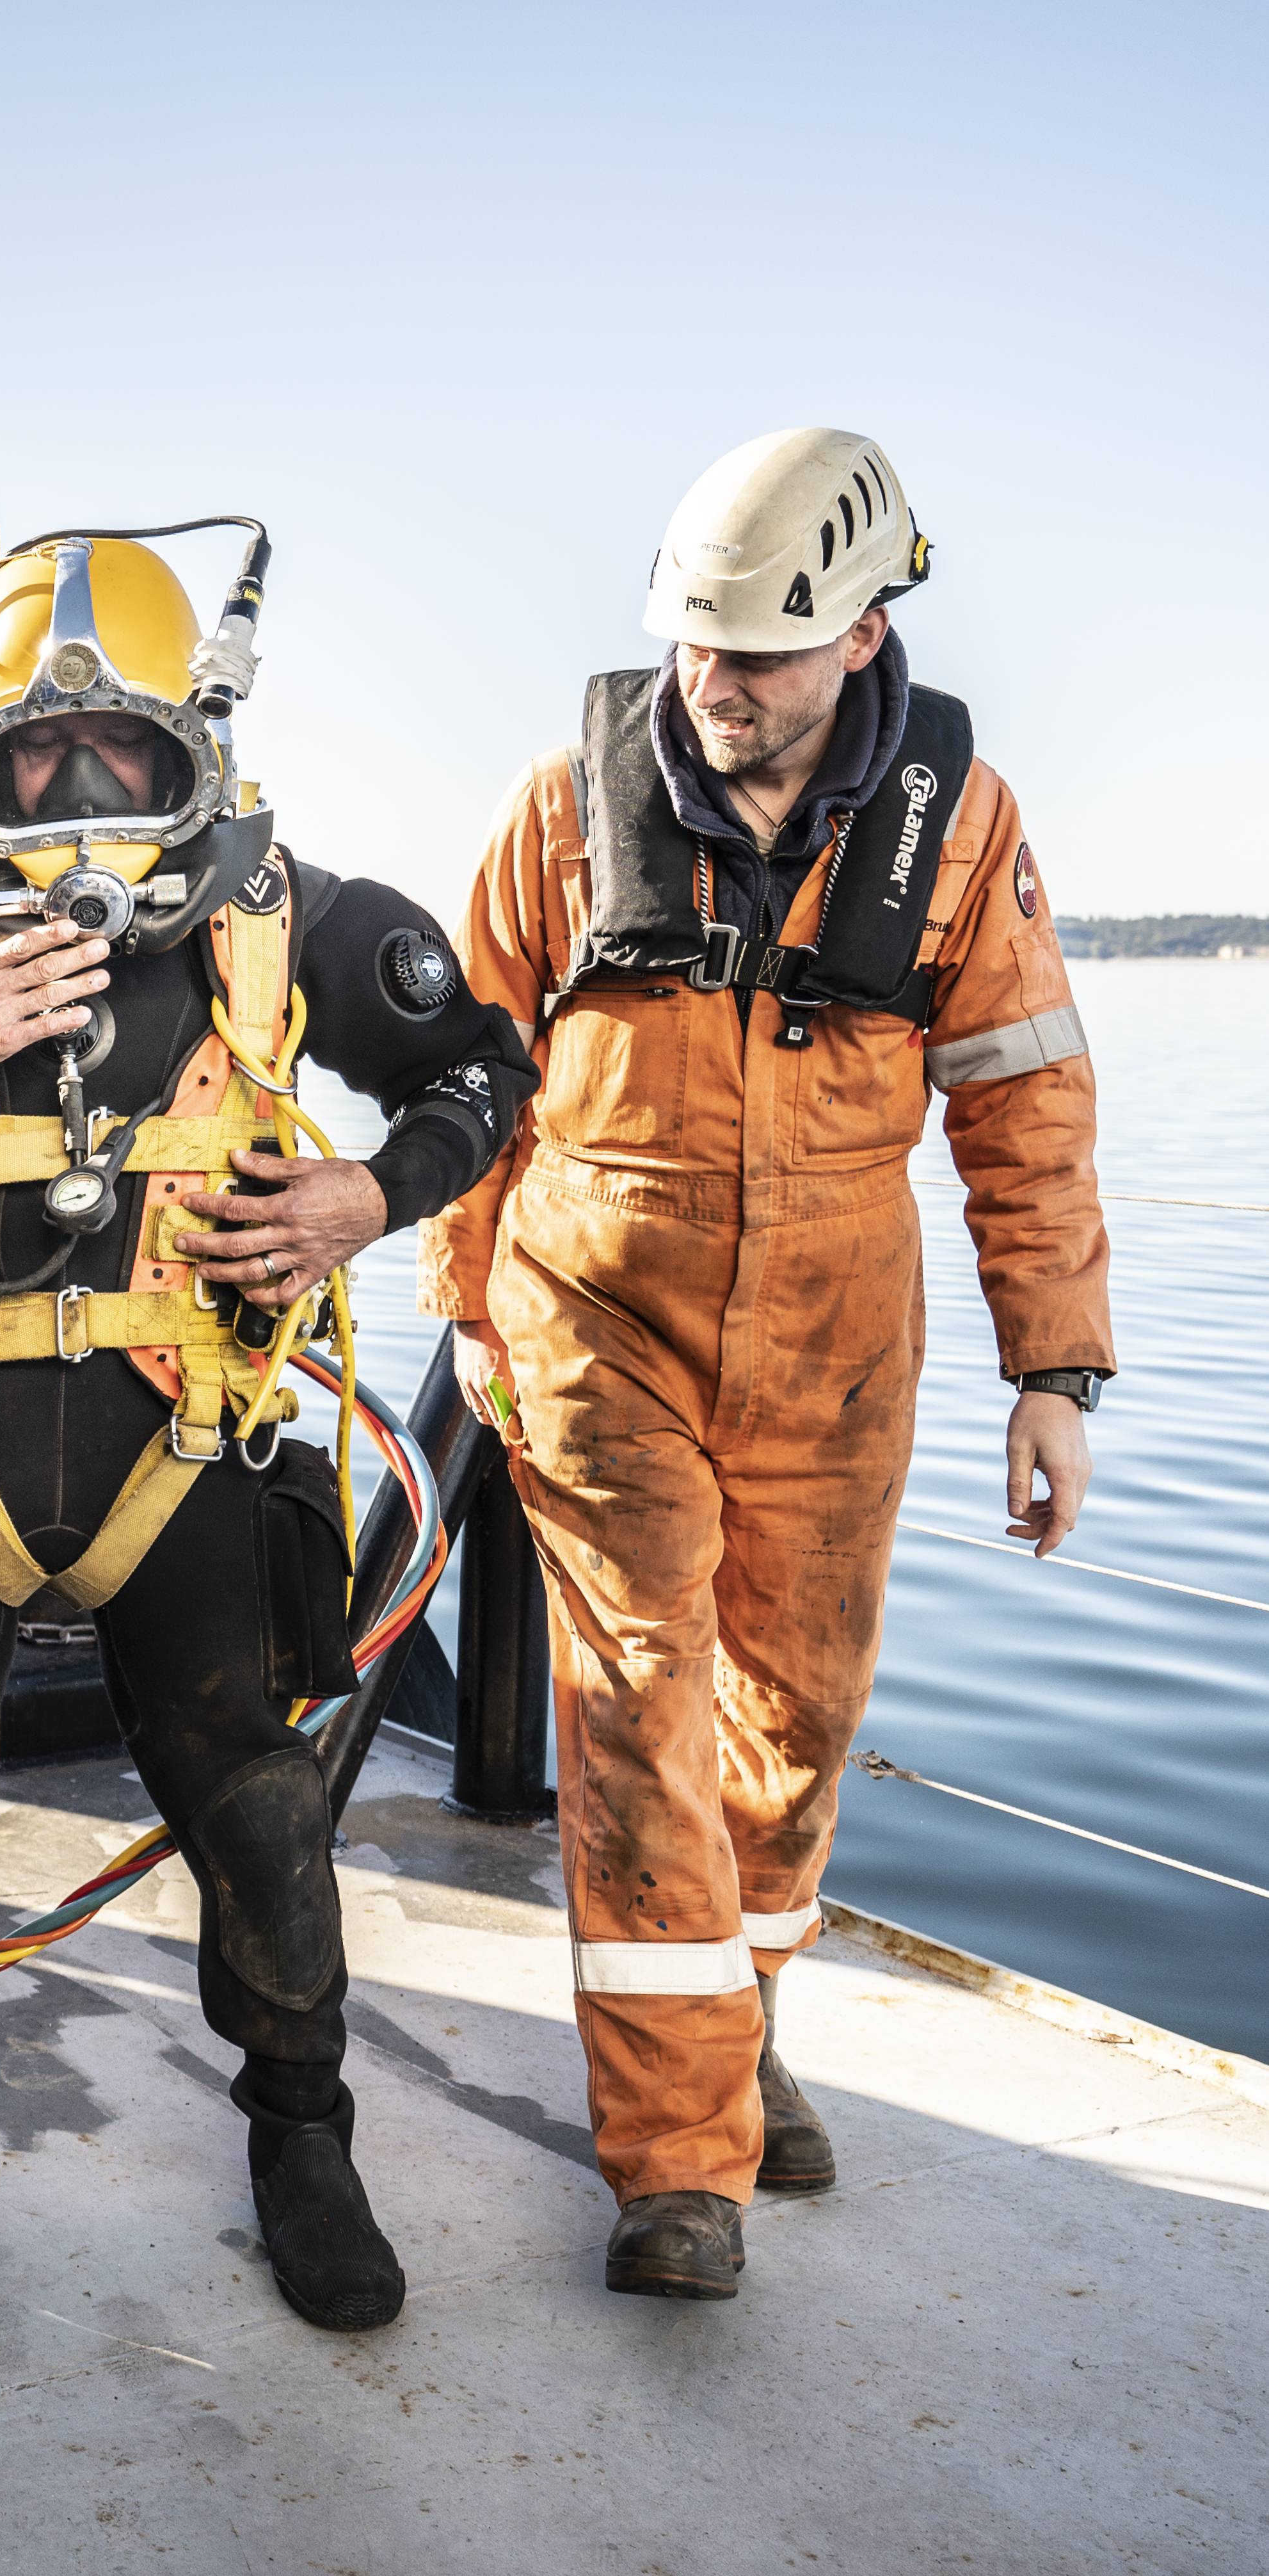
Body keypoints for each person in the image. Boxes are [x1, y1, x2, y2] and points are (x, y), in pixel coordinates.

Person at [0, 522, 537, 2330]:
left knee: (267, 1810)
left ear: (195, 748)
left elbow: (483, 1069)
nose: (76, 796)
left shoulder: (285, 912)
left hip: (191, 1450)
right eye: (33, 758)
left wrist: (375, 1197)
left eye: (123, 754)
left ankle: (305, 2138)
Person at [419, 428, 1114, 2299]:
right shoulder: (563, 808)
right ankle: (676, 2164)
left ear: (868, 634)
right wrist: (468, 1305)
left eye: (764, 657)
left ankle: (740, 2029)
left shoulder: (963, 831)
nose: (717, 690)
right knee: (645, 1698)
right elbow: (467, 1084)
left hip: (836, 1335)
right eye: (696, 650)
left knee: (794, 1720)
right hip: (598, 1317)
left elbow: (1027, 1102)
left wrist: (1054, 1368)